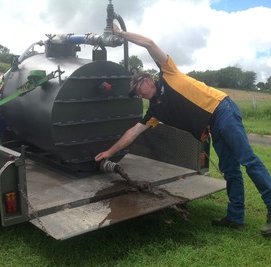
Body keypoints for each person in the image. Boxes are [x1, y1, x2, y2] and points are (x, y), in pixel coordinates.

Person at [94, 23, 271, 236]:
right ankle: (235, 217)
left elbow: (149, 43)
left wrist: (120, 33)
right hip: (213, 125)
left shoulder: (168, 73)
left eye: (138, 89)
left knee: (248, 160)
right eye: (135, 94)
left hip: (222, 109)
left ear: (148, 80)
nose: (138, 94)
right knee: (230, 169)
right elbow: (133, 132)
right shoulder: (155, 111)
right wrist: (110, 152)